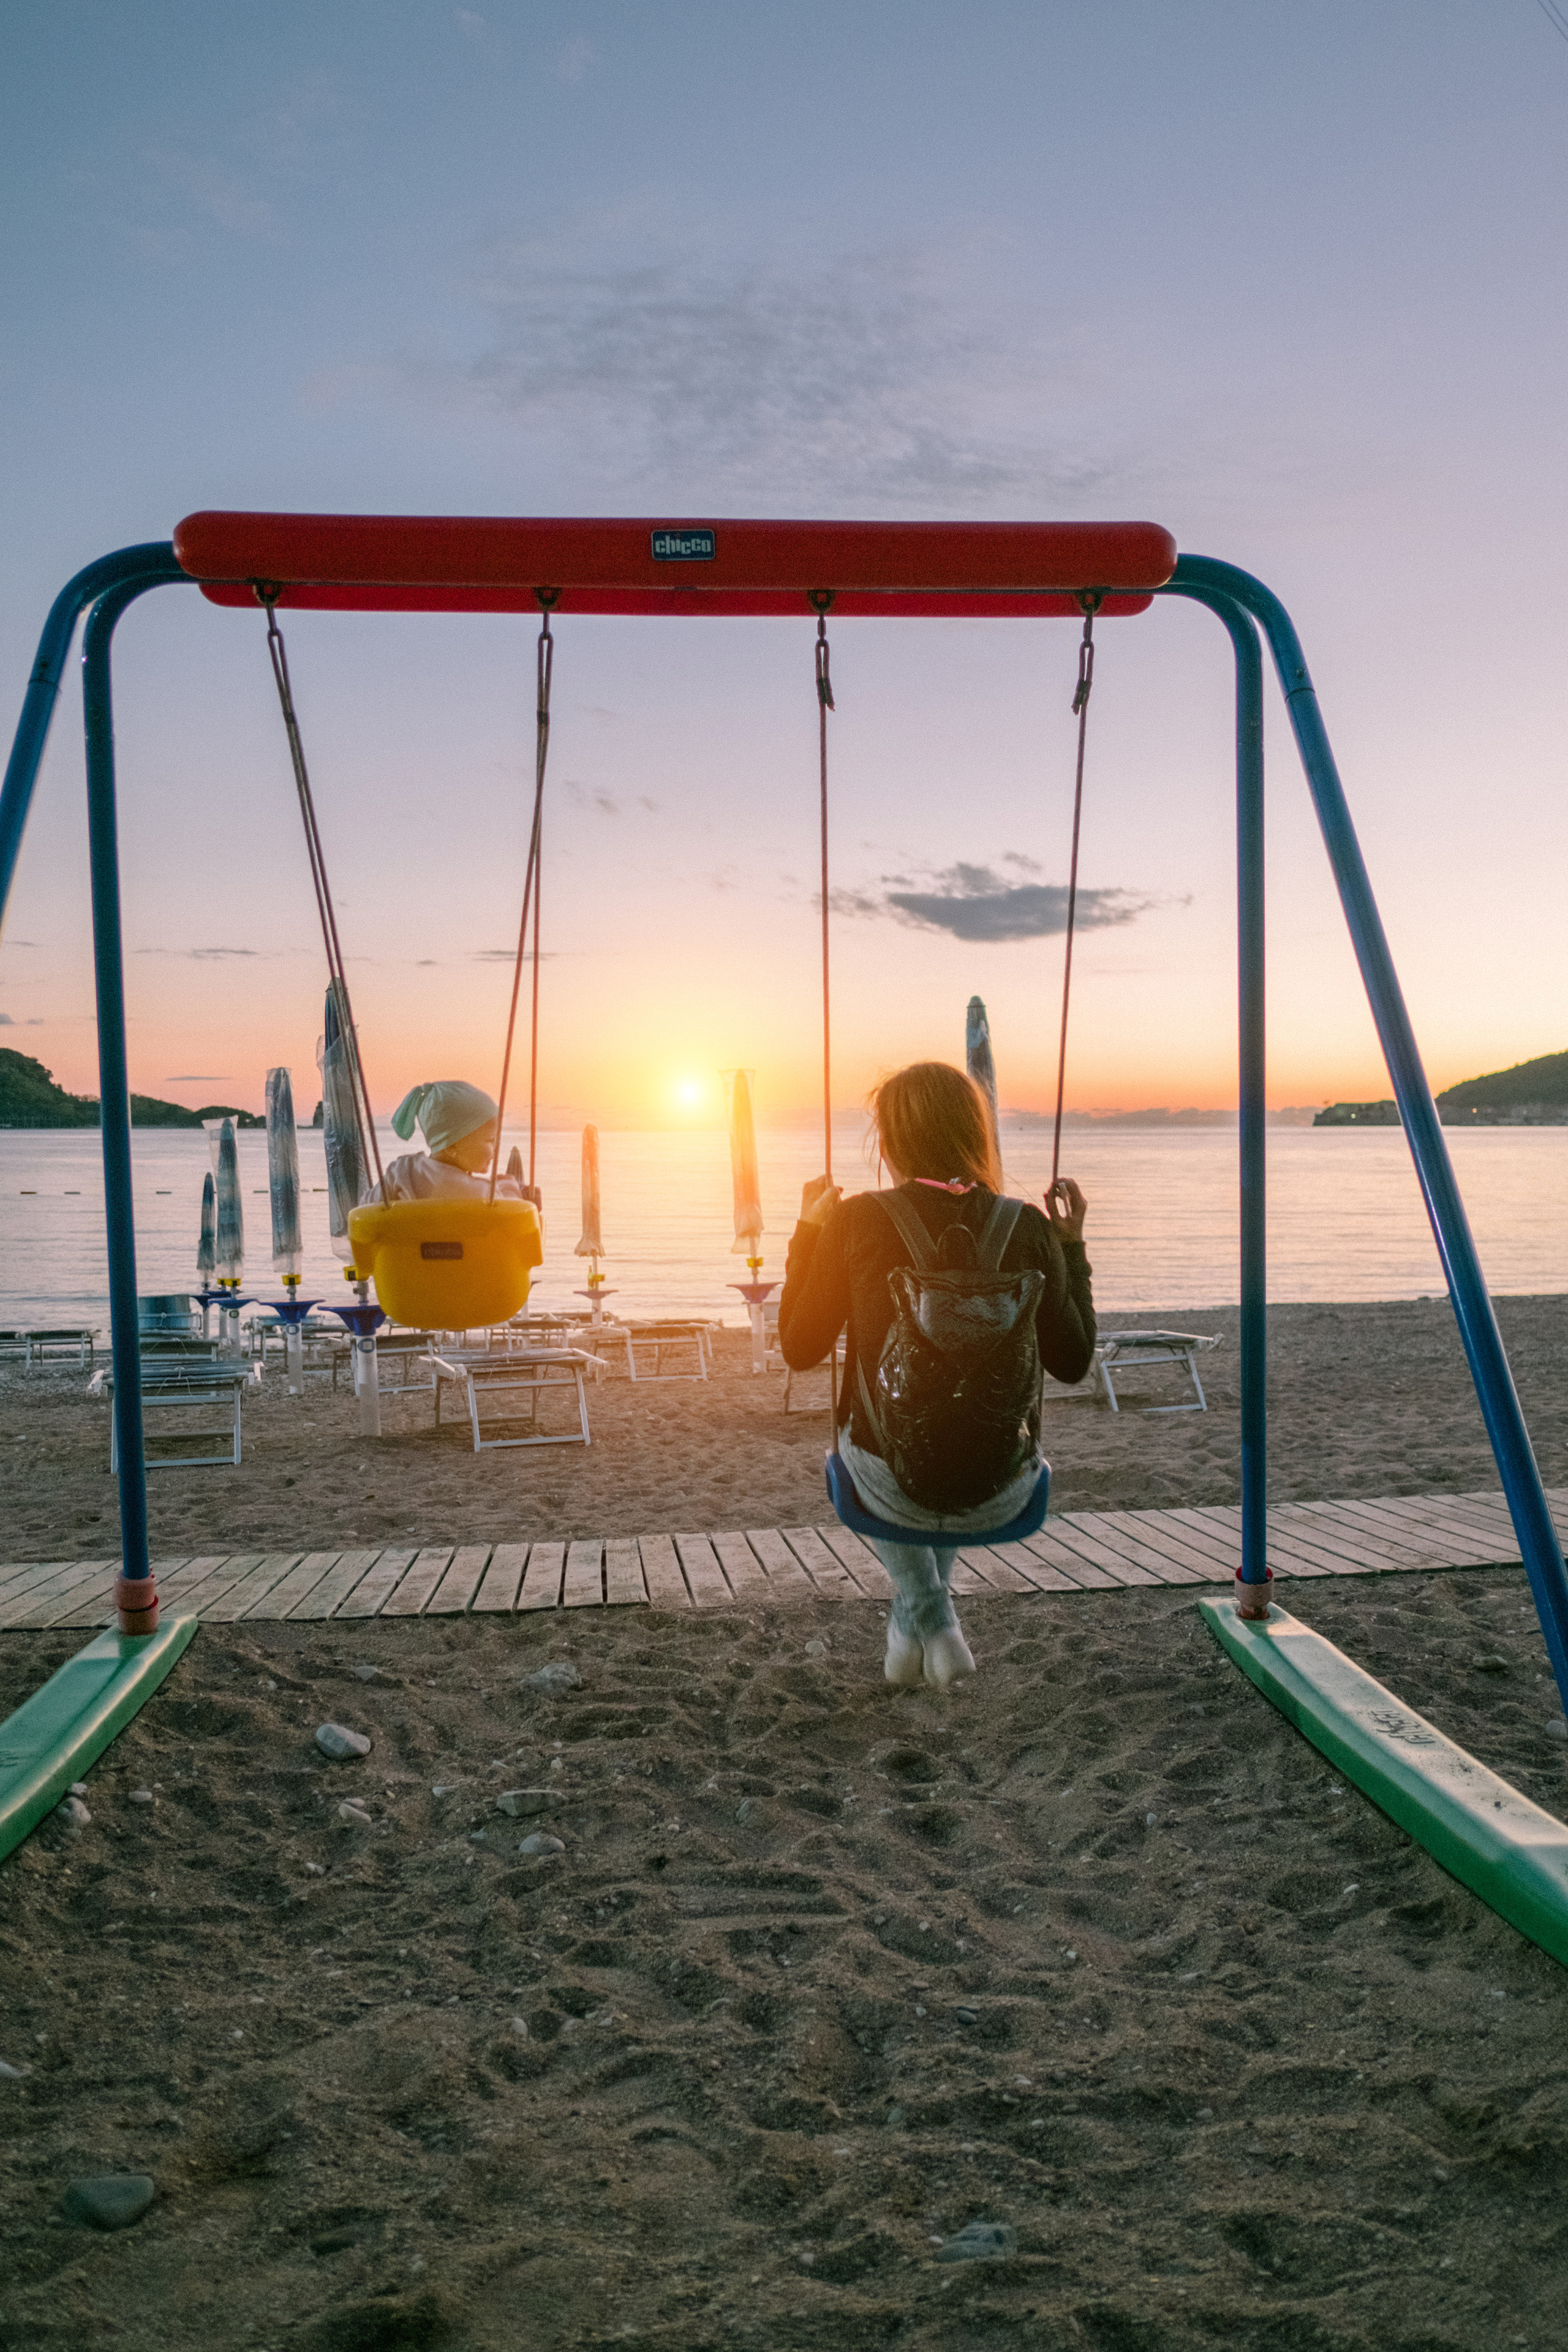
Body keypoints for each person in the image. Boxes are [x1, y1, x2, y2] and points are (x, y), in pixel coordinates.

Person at [778, 1060, 1095, 1689]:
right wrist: (1072, 1248)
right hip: (1001, 1482)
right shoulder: (1027, 1224)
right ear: (973, 1132)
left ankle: (936, 1621)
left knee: (888, 1442)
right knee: (952, 1411)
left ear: (890, 1140)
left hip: (885, 1483)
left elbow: (798, 1348)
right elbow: (1073, 1362)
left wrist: (806, 1233)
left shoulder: (856, 1220)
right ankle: (912, 1632)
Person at [367, 1081, 524, 1204]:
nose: (496, 1148)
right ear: (451, 1146)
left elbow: (365, 1206)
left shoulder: (400, 1172)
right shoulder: (484, 1194)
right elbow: (515, 1217)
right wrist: (509, 1187)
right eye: (490, 1140)